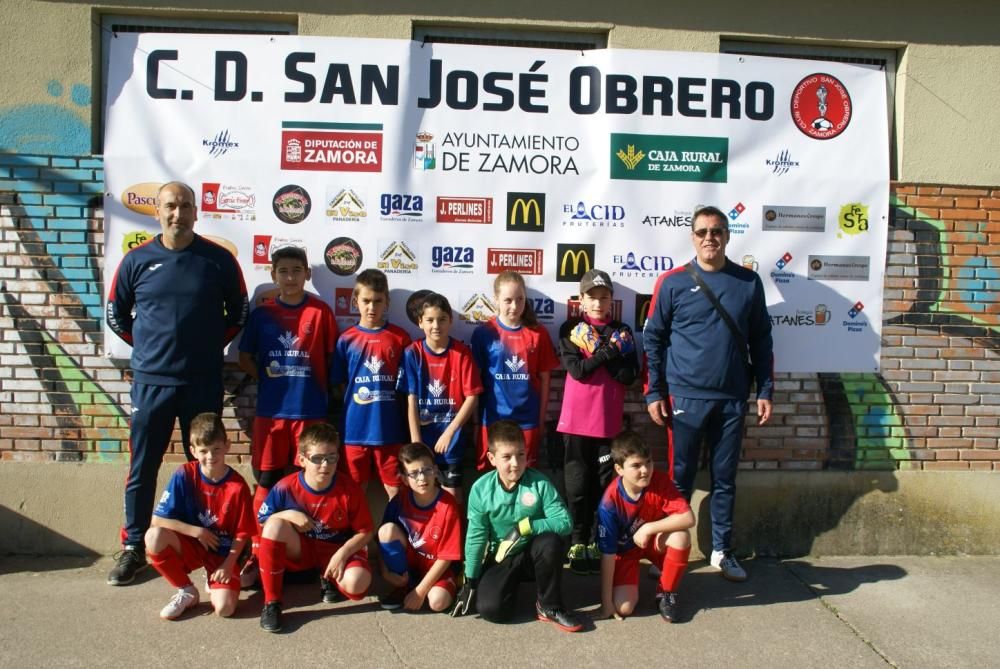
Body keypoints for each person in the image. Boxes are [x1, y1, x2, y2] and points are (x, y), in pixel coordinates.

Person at [106, 181, 248, 586]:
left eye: (185, 206)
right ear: (157, 211)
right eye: (170, 206)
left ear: (196, 211)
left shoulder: (218, 260)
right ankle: (135, 546)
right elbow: (117, 313)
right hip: (151, 382)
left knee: (204, 466)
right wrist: (149, 351)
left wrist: (206, 347)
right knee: (142, 466)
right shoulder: (136, 260)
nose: (178, 213)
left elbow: (238, 312)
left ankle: (206, 549)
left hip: (202, 381)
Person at [643, 205, 774, 582]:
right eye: (702, 232)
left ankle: (721, 550)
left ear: (728, 236)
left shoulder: (748, 282)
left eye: (717, 231)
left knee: (724, 478)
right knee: (678, 478)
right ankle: (668, 548)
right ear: (692, 237)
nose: (709, 238)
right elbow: (653, 340)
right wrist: (654, 393)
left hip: (732, 398)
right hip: (684, 397)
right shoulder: (673, 282)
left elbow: (762, 340)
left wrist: (764, 388)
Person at [451, 420, 584, 633]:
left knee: (551, 542)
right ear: (492, 458)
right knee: (492, 610)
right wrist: (471, 580)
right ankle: (506, 587)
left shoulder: (540, 483)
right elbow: (476, 537)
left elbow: (565, 522)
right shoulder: (480, 489)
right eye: (507, 457)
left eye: (521, 454)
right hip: (502, 556)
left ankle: (548, 605)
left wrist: (526, 526)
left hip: (534, 555)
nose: (515, 463)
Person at [238, 246, 338, 518]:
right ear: (273, 274)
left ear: (307, 274)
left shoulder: (320, 312)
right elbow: (244, 357)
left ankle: (301, 542)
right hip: (271, 413)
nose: (290, 278)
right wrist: (269, 380)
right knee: (266, 478)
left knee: (305, 478)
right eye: (283, 271)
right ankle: (260, 545)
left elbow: (331, 359)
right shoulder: (262, 315)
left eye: (296, 271)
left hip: (310, 412)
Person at [556, 269, 639, 574]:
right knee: (577, 485)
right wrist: (608, 351)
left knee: (604, 484)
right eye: (592, 297)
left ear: (611, 300)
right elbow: (578, 371)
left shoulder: (623, 329)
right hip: (576, 422)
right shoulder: (571, 328)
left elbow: (628, 375)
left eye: (604, 297)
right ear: (581, 300)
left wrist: (604, 355)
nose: (598, 302)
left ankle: (596, 539)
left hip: (608, 423)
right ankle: (577, 540)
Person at [256, 423, 373, 633]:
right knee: (274, 525)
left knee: (358, 583)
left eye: (331, 457)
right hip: (303, 549)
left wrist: (342, 554)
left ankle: (326, 577)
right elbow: (264, 521)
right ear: (302, 459)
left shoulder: (349, 489)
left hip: (335, 550)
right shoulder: (285, 487)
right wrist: (288, 514)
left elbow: (365, 531)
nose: (325, 465)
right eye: (317, 458)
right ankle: (272, 603)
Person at [144, 412, 255, 619]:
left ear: (227, 446)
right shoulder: (184, 474)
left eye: (216, 449)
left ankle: (214, 577)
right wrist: (196, 531)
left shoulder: (237, 486)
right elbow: (157, 520)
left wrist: (228, 564)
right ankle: (186, 590)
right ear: (193, 451)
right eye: (204, 450)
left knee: (225, 610)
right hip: (194, 544)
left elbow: (243, 534)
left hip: (222, 552)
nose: (211, 456)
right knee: (153, 536)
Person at [596, 432, 695, 623]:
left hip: (651, 541)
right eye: (636, 465)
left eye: (648, 462)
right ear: (619, 469)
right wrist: (606, 602)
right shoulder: (609, 502)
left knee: (681, 537)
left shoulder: (659, 480)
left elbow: (688, 517)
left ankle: (666, 593)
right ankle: (646, 573)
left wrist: (649, 528)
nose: (645, 470)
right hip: (625, 553)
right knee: (624, 608)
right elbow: (607, 555)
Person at [332, 269, 411, 497]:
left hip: (390, 432)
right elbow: (339, 384)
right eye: (366, 301)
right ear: (355, 301)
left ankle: (396, 533)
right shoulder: (346, 339)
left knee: (397, 493)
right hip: (353, 432)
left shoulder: (400, 338)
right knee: (354, 494)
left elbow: (406, 389)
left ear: (387, 302)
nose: (371, 307)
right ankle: (358, 533)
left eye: (378, 301)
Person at [471, 271, 559, 471]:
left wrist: (541, 417)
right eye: (508, 300)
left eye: (520, 299)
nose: (514, 306)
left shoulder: (538, 333)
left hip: (527, 421)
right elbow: (474, 384)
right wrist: (476, 423)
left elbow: (545, 379)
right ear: (496, 299)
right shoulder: (484, 333)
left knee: (524, 477)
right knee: (489, 480)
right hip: (492, 420)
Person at [399, 292, 482, 501]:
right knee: (421, 496)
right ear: (420, 323)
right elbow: (411, 400)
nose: (436, 326)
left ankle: (457, 533)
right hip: (423, 441)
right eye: (429, 320)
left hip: (451, 442)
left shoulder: (462, 353)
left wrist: (450, 432)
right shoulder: (412, 352)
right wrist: (416, 441)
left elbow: (472, 398)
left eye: (442, 319)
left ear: (450, 321)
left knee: (452, 497)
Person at [377, 442, 462, 612]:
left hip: (438, 567)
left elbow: (447, 557)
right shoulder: (399, 501)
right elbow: (382, 542)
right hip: (410, 567)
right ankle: (403, 586)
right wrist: (385, 572)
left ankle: (450, 584)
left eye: (427, 470)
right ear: (404, 479)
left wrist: (420, 591)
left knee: (438, 602)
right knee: (386, 531)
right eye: (414, 473)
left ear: (436, 471)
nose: (422, 478)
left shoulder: (448, 506)